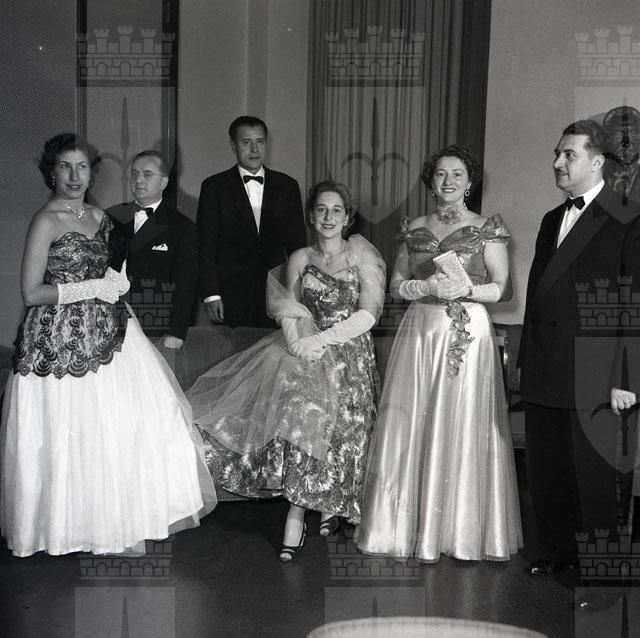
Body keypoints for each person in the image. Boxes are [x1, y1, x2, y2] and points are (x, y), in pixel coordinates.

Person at [0, 134, 216, 557]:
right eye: (65, 166)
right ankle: (66, 528)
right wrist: (90, 288)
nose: (75, 175)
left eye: (82, 167)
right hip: (57, 338)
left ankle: (120, 521)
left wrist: (115, 282)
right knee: (70, 433)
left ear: (92, 173)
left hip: (111, 333)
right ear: (51, 172)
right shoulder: (46, 221)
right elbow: (31, 292)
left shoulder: (103, 218)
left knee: (139, 421)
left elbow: (115, 271)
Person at [187, 180, 385, 561]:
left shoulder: (361, 255)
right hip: (305, 353)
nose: (328, 217)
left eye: (337, 210)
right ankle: (296, 515)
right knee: (301, 421)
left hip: (350, 354)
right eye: (321, 210)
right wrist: (298, 344)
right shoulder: (299, 258)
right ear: (311, 216)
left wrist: (323, 340)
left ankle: (331, 505)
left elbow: (368, 314)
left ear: (347, 217)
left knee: (346, 427)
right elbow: (286, 308)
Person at [357, 144, 522, 562]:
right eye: (441, 174)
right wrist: (424, 286)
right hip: (421, 329)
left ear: (470, 182)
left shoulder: (487, 227)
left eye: (457, 174)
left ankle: (459, 533)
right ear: (431, 181)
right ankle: (402, 528)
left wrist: (468, 288)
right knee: (412, 420)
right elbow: (396, 283)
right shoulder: (414, 226)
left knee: (462, 417)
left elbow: (503, 288)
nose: (448, 181)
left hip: (467, 330)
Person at [519, 120, 640, 612]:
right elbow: (538, 295)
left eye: (568, 155)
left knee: (598, 482)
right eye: (556, 153)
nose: (557, 163)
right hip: (546, 366)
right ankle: (556, 552)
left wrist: (628, 379)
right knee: (548, 470)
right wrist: (526, 360)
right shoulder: (552, 217)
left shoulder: (628, 215)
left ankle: (606, 582)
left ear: (597, 161)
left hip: (599, 373)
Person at [197, 115, 306, 328]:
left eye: (260, 141)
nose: (254, 150)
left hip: (277, 294)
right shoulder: (214, 187)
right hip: (230, 296)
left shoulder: (288, 186)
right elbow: (206, 246)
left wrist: (298, 293)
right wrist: (211, 295)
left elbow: (297, 246)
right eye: (246, 142)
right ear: (233, 146)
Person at [107, 150, 199, 348]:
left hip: (154, 327)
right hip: (111, 323)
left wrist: (176, 332)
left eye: (147, 175)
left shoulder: (183, 227)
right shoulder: (112, 216)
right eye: (134, 174)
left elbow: (185, 285)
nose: (139, 180)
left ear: (164, 182)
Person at [603, 105, 640, 205]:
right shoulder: (596, 177)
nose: (626, 143)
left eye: (632, 134)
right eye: (618, 135)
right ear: (608, 140)